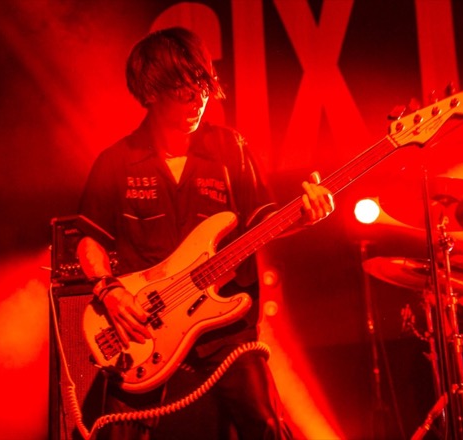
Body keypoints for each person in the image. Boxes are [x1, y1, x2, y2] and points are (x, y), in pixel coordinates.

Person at [76, 27, 334, 439]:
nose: (198, 99)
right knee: (117, 434)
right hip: (144, 328)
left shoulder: (231, 149)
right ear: (151, 92)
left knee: (267, 425)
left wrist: (303, 217)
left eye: (202, 85)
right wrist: (110, 291)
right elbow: (90, 240)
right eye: (184, 89)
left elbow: (264, 222)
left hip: (225, 331)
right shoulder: (115, 162)